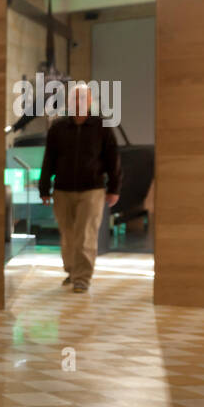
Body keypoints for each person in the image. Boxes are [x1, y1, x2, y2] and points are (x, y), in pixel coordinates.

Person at [38, 83, 122, 293]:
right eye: (75, 98)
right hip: (62, 190)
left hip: (91, 189)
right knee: (68, 234)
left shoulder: (101, 127)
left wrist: (114, 187)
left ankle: (82, 277)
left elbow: (113, 159)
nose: (78, 102)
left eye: (83, 98)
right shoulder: (58, 128)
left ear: (90, 101)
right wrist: (44, 187)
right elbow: (49, 159)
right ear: (68, 102)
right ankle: (72, 270)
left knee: (85, 234)